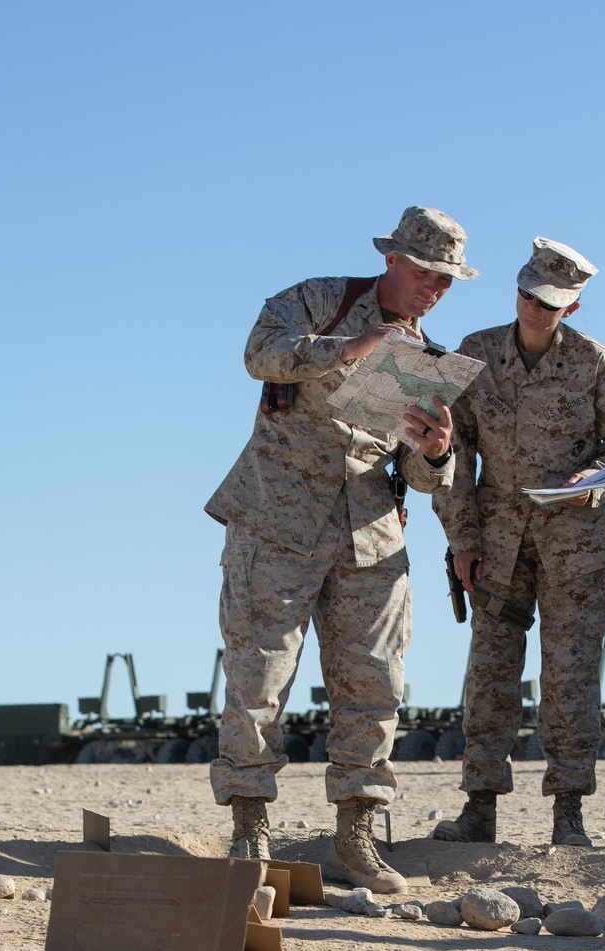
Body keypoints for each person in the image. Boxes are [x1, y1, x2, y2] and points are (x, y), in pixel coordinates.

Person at [205, 206, 476, 890]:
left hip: (369, 531)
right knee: (258, 674)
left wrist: (437, 453)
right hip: (277, 517)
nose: (435, 289)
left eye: (447, 281)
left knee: (374, 682)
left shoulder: (427, 361)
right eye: (426, 273)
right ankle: (249, 829)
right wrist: (348, 349)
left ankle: (355, 834)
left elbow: (417, 472)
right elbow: (257, 354)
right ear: (392, 259)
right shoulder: (317, 300)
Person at [431, 237, 605, 847]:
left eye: (549, 304)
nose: (535, 309)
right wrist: (462, 540)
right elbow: (452, 455)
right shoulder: (474, 356)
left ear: (571, 309)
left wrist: (597, 484)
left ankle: (568, 812)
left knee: (571, 675)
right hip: (496, 543)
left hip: (575, 544)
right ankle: (480, 807)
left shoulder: (598, 364)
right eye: (528, 296)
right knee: (490, 673)